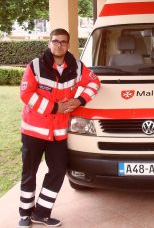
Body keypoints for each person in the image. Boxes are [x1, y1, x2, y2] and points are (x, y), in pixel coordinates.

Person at [18, 28, 100, 227]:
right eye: (55, 41)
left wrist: (80, 100)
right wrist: (56, 107)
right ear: (49, 43)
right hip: (34, 130)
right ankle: (25, 214)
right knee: (29, 172)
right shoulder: (36, 66)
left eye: (63, 42)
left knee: (58, 170)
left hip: (58, 133)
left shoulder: (77, 67)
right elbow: (26, 94)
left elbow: (95, 83)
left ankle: (42, 213)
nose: (59, 45)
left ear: (68, 45)